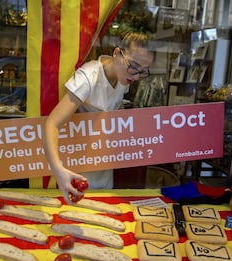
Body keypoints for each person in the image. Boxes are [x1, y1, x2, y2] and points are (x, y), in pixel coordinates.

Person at [42, 32, 154, 203]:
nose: (137, 76)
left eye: (143, 71)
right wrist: (58, 170)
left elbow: (116, 110)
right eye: (134, 66)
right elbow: (52, 124)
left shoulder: (124, 78)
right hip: (75, 171)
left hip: (103, 167)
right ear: (117, 53)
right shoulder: (88, 77)